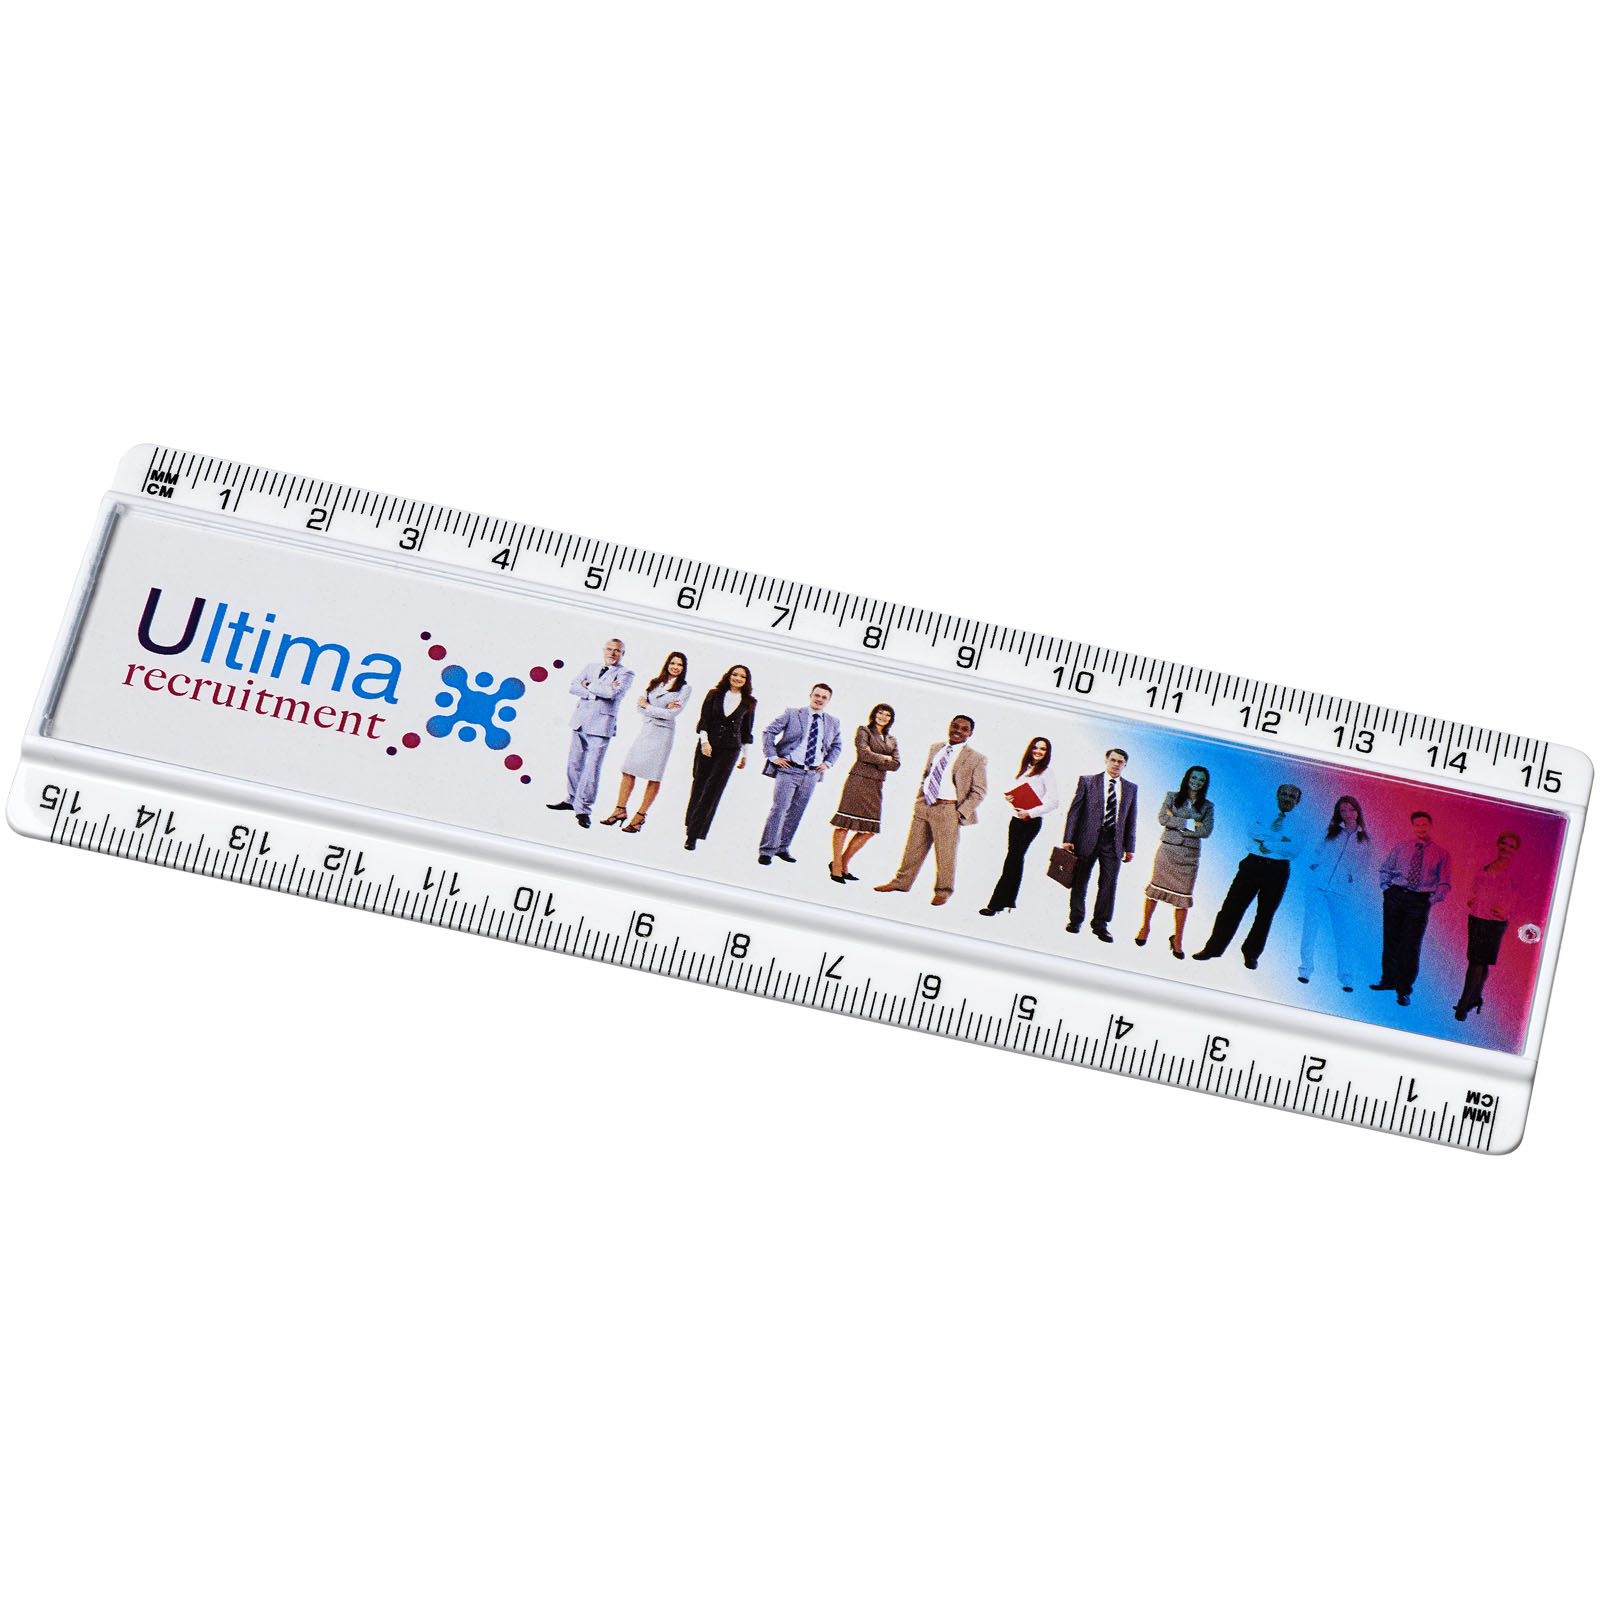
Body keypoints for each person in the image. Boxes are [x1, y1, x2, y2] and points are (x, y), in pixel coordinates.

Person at [874, 715, 987, 905]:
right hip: (925, 804)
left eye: (964, 729)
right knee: (913, 848)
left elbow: (979, 791)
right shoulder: (936, 748)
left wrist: (960, 812)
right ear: (949, 726)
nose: (958, 731)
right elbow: (927, 774)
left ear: (970, 734)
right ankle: (901, 882)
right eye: (955, 726)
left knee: (945, 853)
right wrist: (920, 798)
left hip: (949, 809)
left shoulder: (976, 758)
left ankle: (943, 891)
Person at [1192, 784, 1304, 969]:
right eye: (1284, 794)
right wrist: (1280, 839)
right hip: (1252, 865)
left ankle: (1251, 954)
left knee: (1264, 916)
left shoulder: (1301, 825)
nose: (1287, 798)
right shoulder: (1261, 811)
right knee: (1230, 908)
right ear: (1277, 795)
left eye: (1292, 797)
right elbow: (1251, 832)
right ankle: (1213, 948)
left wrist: (1266, 842)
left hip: (1277, 871)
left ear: (1297, 801)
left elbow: (1294, 850)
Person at [547, 637, 634, 828]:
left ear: (622, 653)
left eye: (617, 650)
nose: (612, 653)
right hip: (580, 720)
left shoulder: (626, 673)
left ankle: (583, 809)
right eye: (609, 649)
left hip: (602, 724)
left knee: (592, 768)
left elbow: (612, 694)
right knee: (574, 763)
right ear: (604, 650)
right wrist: (594, 691)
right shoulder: (590, 667)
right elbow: (573, 686)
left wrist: (587, 685)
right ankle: (571, 799)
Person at [602, 651, 690, 833]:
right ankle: (620, 809)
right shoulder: (655, 683)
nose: (675, 667)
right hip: (646, 731)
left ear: (683, 668)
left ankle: (639, 816)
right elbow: (638, 706)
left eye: (680, 665)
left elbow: (671, 714)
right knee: (628, 769)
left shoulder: (684, 688)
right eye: (673, 663)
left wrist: (648, 706)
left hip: (662, 735)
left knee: (654, 776)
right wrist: (657, 709)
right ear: (667, 664)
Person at [1372, 810, 1452, 1007]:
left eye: (1424, 824)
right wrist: (1386, 889)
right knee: (1391, 940)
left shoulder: (1441, 853)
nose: (1421, 828)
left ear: (1430, 826)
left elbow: (1444, 882)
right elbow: (1385, 869)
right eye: (1417, 825)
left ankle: (1404, 990)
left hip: (1419, 901)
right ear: (1413, 826)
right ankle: (1388, 980)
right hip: (1396, 896)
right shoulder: (1401, 847)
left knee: (1410, 945)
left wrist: (1432, 899)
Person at [757, 684, 843, 865]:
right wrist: (773, 756)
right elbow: (769, 732)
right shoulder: (792, 714)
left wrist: (827, 763)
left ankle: (782, 847)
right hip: (788, 770)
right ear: (810, 695)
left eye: (824, 697)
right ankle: (767, 850)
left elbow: (837, 746)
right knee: (779, 809)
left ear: (828, 701)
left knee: (796, 811)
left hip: (811, 774)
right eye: (817, 695)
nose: (819, 699)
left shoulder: (833, 722)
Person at [1133, 765, 1214, 957]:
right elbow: (1162, 818)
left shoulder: (1207, 806)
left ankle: (1177, 940)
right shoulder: (1172, 796)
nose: (1197, 782)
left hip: (1189, 857)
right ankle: (1145, 927)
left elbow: (1206, 831)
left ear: (1205, 784)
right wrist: (1190, 823)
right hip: (1168, 851)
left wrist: (1176, 820)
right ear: (1187, 778)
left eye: (1201, 780)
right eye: (1194, 778)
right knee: (1154, 891)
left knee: (1183, 899)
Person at [1060, 748, 1138, 942]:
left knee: (1108, 885)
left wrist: (1130, 847)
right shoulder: (1088, 781)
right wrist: (1068, 838)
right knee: (1080, 881)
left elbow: (1131, 819)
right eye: (1113, 760)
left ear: (1125, 765)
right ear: (1106, 760)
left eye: (1120, 762)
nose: (1116, 764)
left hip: (1113, 843)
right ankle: (1075, 920)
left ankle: (1100, 925)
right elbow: (1074, 811)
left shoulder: (1131, 788)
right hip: (1086, 839)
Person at [1297, 795, 1373, 992]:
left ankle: (1347, 978)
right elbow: (1315, 850)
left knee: (1343, 934)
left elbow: (1364, 866)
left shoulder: (1364, 840)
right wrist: (1315, 866)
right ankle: (1305, 970)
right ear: (1339, 813)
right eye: (1343, 810)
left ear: (1358, 811)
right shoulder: (1331, 831)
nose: (1347, 813)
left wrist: (1351, 878)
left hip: (1341, 892)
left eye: (1351, 809)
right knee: (1310, 928)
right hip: (1317, 886)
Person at [979, 737, 1058, 916]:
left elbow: (1054, 801)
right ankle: (1005, 902)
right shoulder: (1026, 769)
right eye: (1036, 748)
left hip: (1030, 822)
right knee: (1013, 860)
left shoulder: (1046, 772)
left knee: (1013, 860)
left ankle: (995, 904)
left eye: (1043, 749)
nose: (1038, 751)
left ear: (1047, 753)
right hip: (1016, 820)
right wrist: (1011, 798)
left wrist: (1030, 812)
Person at [683, 664, 756, 850]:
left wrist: (745, 755)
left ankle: (693, 835)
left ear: (746, 681)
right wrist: (704, 742)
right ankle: (691, 823)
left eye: (742, 676)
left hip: (730, 749)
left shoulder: (749, 702)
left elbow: (747, 730)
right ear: (729, 675)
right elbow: (704, 720)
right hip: (708, 744)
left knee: (713, 789)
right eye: (735, 674)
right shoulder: (714, 694)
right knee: (699, 783)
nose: (738, 678)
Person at [828, 703, 900, 884]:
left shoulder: (892, 739)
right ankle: (837, 866)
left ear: (891, 719)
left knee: (869, 829)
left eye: (887, 715)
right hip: (858, 781)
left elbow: (896, 764)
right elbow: (863, 755)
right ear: (874, 714)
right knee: (844, 824)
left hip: (876, 785)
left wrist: (875, 757)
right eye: (880, 713)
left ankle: (842, 862)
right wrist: (885, 758)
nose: (883, 717)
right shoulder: (864, 731)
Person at [1454, 830, 1522, 1022]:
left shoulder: (1514, 873)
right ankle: (1475, 998)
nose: (1506, 848)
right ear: (1498, 844)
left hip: (1494, 922)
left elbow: (1518, 897)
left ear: (1515, 850)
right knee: (1478, 961)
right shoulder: (1486, 866)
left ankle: (1463, 1005)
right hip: (1476, 917)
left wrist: (1505, 911)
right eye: (1503, 844)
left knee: (1477, 962)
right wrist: (1472, 899)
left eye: (1511, 846)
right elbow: (1475, 886)